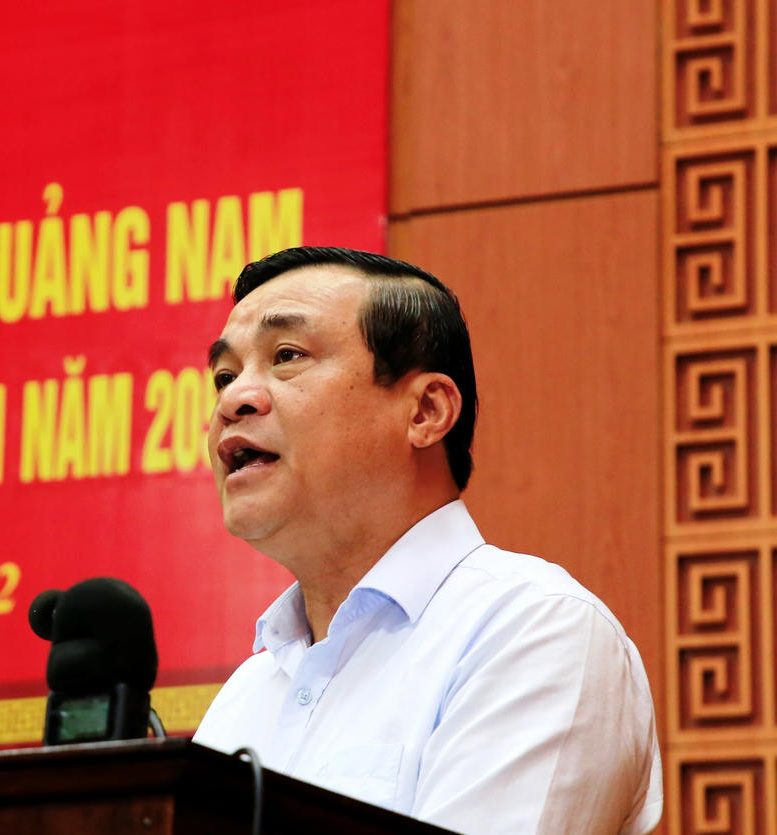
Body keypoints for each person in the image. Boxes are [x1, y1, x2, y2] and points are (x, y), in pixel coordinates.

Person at [192, 247, 662, 834]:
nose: (233, 400)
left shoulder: (534, 631)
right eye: (225, 376)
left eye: (287, 356)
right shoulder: (244, 698)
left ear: (426, 412)